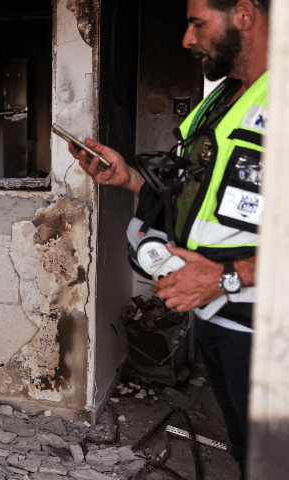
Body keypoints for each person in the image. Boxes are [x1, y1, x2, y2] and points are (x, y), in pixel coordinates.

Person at [69, 0, 269, 477]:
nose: (187, 38)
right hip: (218, 316)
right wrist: (128, 179)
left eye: (198, 23)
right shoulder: (221, 101)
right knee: (248, 449)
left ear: (244, 13)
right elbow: (193, 197)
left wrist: (226, 277)